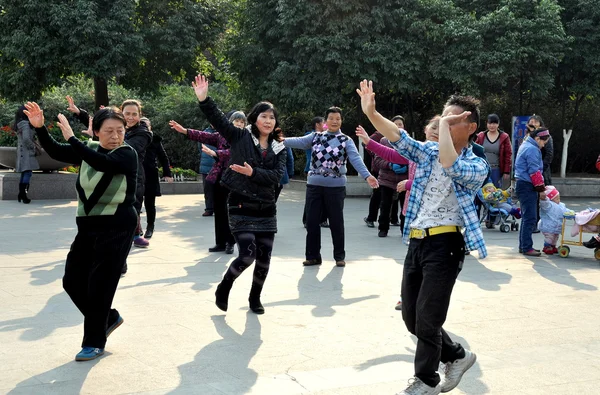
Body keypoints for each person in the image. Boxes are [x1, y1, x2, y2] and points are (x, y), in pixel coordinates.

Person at [357, 80, 488, 395]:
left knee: (428, 319)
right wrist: (372, 113)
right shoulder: (428, 151)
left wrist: (442, 127)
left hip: (446, 245)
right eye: (443, 117)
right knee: (411, 317)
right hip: (417, 241)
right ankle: (456, 355)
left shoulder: (476, 164)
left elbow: (449, 162)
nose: (444, 122)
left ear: (470, 127)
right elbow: (397, 138)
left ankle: (425, 381)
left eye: (453, 119)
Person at [24, 102, 137, 361]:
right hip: (87, 227)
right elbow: (55, 150)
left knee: (100, 285)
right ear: (96, 131)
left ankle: (94, 342)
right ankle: (107, 318)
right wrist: (40, 129)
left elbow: (102, 163)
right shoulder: (88, 149)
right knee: (71, 281)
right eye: (108, 131)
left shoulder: (127, 154)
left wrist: (74, 139)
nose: (115, 136)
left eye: (120, 130)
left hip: (118, 227)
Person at [193, 74, 287, 315]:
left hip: (266, 207)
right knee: (247, 254)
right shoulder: (240, 136)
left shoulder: (279, 147)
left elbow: (275, 177)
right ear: (254, 119)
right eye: (263, 116)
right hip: (240, 204)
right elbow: (218, 120)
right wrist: (204, 100)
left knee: (264, 260)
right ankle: (225, 285)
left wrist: (253, 171)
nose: (268, 120)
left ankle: (255, 298)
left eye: (272, 117)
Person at [284, 106, 379, 267]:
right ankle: (313, 256)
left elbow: (356, 159)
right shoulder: (315, 137)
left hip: (336, 188)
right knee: (312, 222)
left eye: (338, 119)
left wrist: (367, 175)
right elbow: (298, 141)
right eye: (331, 118)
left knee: (336, 222)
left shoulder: (346, 140)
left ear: (341, 121)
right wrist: (278, 139)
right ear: (326, 121)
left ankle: (339, 256)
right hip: (314, 185)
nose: (335, 121)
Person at [66, 96, 153, 253]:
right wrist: (79, 113)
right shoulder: (115, 128)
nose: (131, 117)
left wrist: (85, 139)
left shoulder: (142, 133)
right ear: (122, 114)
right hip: (109, 178)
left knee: (127, 221)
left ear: (140, 115)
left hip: (131, 181)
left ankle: (122, 257)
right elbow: (100, 127)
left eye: (135, 114)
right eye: (127, 113)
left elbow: (115, 146)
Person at [169, 112, 239, 255]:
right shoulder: (220, 135)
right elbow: (203, 136)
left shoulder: (243, 138)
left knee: (230, 211)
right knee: (219, 209)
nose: (238, 125)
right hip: (219, 176)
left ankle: (230, 242)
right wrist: (184, 131)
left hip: (235, 177)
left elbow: (233, 153)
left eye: (241, 122)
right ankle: (220, 242)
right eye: (236, 121)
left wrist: (216, 154)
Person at [355, 125, 409, 237]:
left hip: (404, 181)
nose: (398, 127)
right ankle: (383, 228)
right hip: (386, 180)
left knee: (405, 206)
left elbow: (415, 160)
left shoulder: (409, 143)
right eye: (396, 124)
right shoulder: (383, 141)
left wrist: (408, 167)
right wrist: (390, 165)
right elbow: (378, 158)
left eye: (400, 125)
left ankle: (405, 229)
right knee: (385, 205)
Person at [514, 127, 550, 257]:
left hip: (522, 184)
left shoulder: (526, 144)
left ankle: (523, 246)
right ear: (537, 138)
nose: (543, 145)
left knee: (527, 217)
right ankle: (527, 247)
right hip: (527, 185)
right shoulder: (532, 149)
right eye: (543, 142)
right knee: (530, 218)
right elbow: (534, 172)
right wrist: (541, 190)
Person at [141, 117, 173, 239]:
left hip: (150, 174)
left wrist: (167, 173)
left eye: (146, 125)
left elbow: (163, 158)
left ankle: (150, 227)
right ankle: (135, 229)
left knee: (150, 203)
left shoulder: (155, 140)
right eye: (141, 124)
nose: (144, 127)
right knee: (135, 203)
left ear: (150, 127)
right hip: (136, 173)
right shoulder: (133, 137)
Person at [302, 117, 328, 227]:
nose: (326, 124)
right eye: (324, 123)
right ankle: (307, 220)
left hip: (325, 169)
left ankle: (322, 219)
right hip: (312, 169)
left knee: (326, 195)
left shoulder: (328, 136)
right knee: (312, 197)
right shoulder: (311, 136)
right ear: (317, 125)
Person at [475, 114, 512, 188]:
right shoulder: (481, 136)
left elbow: (508, 155)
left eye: (494, 123)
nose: (492, 125)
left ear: (498, 124)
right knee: (481, 193)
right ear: (486, 124)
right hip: (482, 170)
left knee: (495, 193)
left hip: (496, 170)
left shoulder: (504, 137)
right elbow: (474, 152)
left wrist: (506, 171)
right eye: (490, 123)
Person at [14, 106, 40, 204]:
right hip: (26, 151)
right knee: (28, 172)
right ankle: (23, 195)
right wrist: (33, 147)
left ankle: (21, 194)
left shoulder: (19, 124)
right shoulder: (25, 124)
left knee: (25, 172)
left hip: (22, 151)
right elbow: (26, 139)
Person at [538, 186, 569, 255]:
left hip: (556, 226)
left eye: (559, 198)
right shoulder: (548, 205)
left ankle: (553, 246)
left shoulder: (561, 205)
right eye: (557, 198)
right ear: (551, 199)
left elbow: (565, 211)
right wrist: (544, 199)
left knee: (555, 237)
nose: (559, 200)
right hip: (548, 226)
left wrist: (571, 213)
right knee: (549, 238)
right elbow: (544, 203)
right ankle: (547, 246)